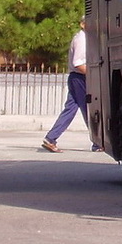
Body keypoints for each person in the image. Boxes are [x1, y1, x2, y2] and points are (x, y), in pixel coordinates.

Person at [41, 17, 98, 152]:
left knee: (71, 109)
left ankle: (51, 138)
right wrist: (93, 75)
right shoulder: (82, 40)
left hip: (77, 78)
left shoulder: (84, 38)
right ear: (82, 24)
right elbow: (78, 63)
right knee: (87, 109)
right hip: (80, 78)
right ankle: (97, 142)